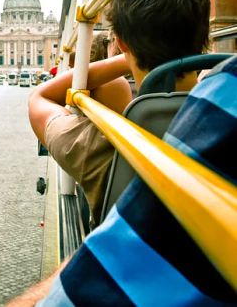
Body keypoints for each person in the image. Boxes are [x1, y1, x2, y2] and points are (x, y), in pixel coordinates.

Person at [12, 55, 237, 306]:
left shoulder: (95, 150)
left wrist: (127, 58)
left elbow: (40, 98)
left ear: (121, 44)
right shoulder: (225, 96)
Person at [29, 0, 210, 224]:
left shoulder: (103, 149)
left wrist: (134, 51)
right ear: (205, 34)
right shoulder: (223, 103)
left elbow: (39, 97)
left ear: (122, 43)